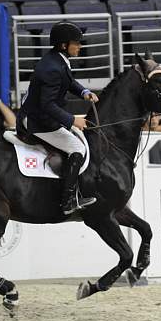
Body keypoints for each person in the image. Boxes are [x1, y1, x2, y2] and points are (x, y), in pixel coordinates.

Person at [16, 21, 99, 215]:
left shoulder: (57, 60)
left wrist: (84, 91)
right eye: (76, 43)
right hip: (38, 120)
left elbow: (68, 81)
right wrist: (72, 120)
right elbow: (47, 105)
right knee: (77, 148)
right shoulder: (52, 67)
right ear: (63, 45)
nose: (79, 46)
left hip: (43, 114)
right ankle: (68, 200)